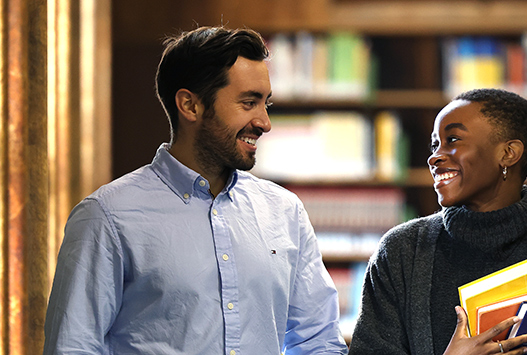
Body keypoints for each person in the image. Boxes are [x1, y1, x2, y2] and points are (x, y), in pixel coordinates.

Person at [44, 26, 349, 355]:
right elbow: (73, 347)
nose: (264, 122)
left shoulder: (284, 212)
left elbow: (318, 341)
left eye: (266, 104)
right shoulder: (107, 217)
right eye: (248, 103)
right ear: (190, 105)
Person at [348, 88, 527, 355]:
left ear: (508, 153)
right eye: (435, 144)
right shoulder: (401, 251)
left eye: (453, 140)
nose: (434, 157)